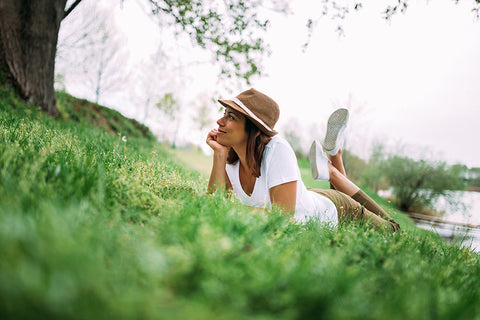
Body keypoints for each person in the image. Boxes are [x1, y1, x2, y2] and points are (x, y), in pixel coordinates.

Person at [206, 88, 400, 232]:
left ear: (253, 129)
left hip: (339, 211)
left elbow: (282, 218)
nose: (219, 122)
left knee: (393, 230)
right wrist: (219, 155)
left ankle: (331, 169)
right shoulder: (232, 158)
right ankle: (334, 157)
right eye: (224, 114)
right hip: (308, 198)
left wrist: (233, 208)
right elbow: (215, 204)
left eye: (230, 117)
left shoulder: (277, 150)